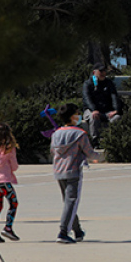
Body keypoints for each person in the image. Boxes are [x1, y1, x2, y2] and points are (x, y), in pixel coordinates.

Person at [50, 103, 97, 244]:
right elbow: (89, 152)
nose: (79, 116)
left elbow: (53, 150)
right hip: (73, 171)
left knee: (68, 202)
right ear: (72, 117)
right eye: (77, 113)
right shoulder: (80, 134)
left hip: (59, 171)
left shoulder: (56, 133)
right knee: (71, 201)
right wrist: (100, 157)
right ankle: (63, 231)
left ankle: (77, 230)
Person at [82, 63, 122, 147]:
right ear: (94, 72)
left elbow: (114, 96)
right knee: (94, 116)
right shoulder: (88, 84)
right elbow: (87, 99)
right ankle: (95, 140)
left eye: (104, 71)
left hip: (106, 110)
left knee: (116, 118)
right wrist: (94, 109)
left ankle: (112, 140)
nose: (103, 73)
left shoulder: (109, 83)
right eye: (101, 71)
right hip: (91, 110)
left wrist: (116, 110)